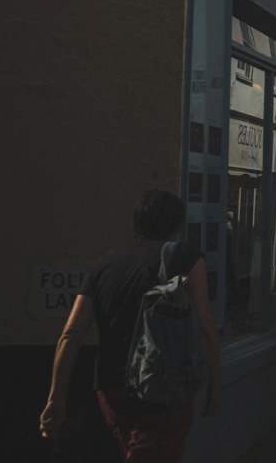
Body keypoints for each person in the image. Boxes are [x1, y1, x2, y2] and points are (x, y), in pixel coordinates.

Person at [40, 189, 223, 460]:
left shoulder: (102, 265)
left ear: (136, 223)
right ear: (177, 224)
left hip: (112, 385)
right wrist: (216, 384)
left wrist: (55, 400)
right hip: (166, 385)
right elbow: (206, 325)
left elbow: (70, 334)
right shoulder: (185, 257)